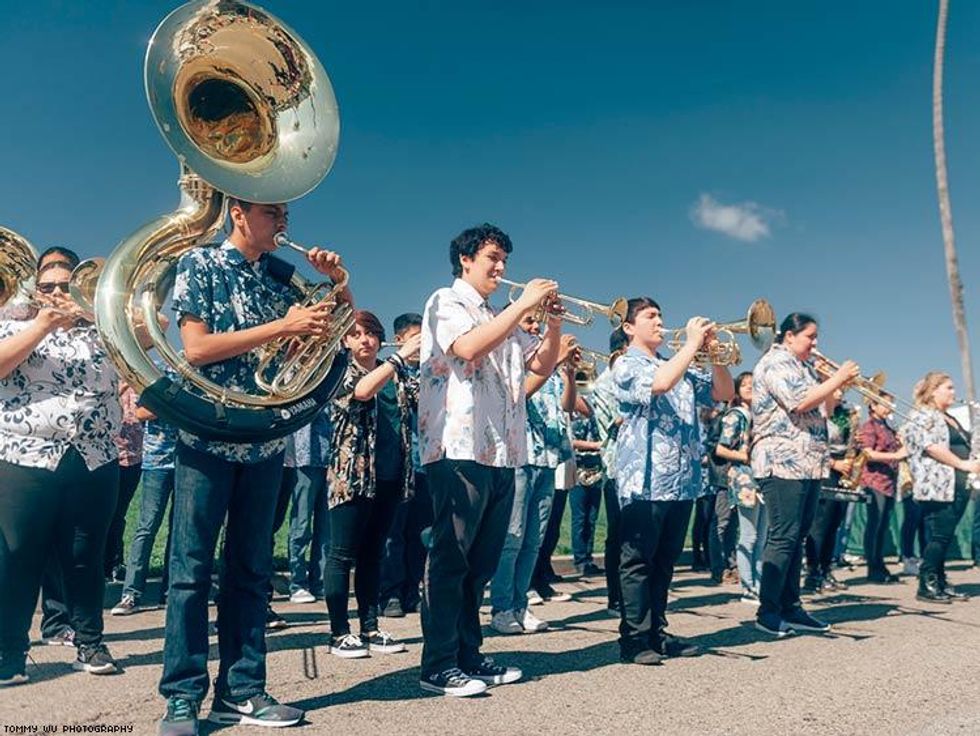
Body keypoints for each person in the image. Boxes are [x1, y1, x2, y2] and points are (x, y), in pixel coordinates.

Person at [157, 199, 349, 734]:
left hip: (265, 442)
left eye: (285, 212)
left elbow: (338, 328)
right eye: (272, 211)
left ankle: (241, 690)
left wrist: (337, 284)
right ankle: (181, 695)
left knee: (251, 570)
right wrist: (281, 328)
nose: (283, 221)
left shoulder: (281, 277)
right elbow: (196, 348)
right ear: (238, 213)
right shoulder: (200, 263)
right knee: (190, 572)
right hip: (208, 436)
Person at [417, 223, 560, 696]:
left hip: (501, 451)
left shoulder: (500, 315)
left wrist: (553, 325)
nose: (501, 268)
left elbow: (540, 367)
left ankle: (468, 654)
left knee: (480, 564)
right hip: (457, 447)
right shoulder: (446, 300)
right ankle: (438, 664)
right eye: (492, 258)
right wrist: (523, 305)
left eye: (504, 261)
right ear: (466, 260)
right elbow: (467, 347)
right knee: (451, 560)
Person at [0, 261, 122, 687]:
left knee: (86, 556)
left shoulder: (103, 331)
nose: (56, 293)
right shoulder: (12, 325)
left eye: (66, 285)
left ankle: (90, 643)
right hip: (24, 457)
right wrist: (42, 325)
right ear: (34, 290)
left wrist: (98, 308)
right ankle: (9, 653)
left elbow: (154, 326)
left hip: (93, 458)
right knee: (18, 556)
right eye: (47, 286)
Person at [613, 297, 734, 665]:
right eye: (650, 316)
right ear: (629, 327)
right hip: (644, 479)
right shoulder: (626, 363)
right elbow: (661, 383)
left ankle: (657, 632)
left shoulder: (678, 363)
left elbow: (724, 394)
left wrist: (715, 356)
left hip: (682, 480)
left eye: (661, 315)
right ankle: (634, 639)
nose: (660, 321)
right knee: (637, 561)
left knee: (665, 562)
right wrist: (693, 344)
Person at [751, 313, 859, 637]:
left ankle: (791, 606)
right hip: (781, 460)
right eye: (810, 336)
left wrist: (831, 383)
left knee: (798, 536)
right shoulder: (775, 363)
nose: (815, 342)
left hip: (808, 461)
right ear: (789, 336)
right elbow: (798, 403)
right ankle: (768, 611)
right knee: (783, 536)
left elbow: (823, 410)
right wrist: (836, 378)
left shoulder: (805, 367)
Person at [322, 310, 417, 658]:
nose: (366, 340)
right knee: (341, 554)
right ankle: (338, 633)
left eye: (372, 333)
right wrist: (400, 356)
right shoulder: (339, 370)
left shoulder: (398, 374)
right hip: (352, 475)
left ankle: (370, 627)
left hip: (389, 475)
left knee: (373, 554)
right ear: (346, 341)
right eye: (357, 334)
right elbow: (362, 391)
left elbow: (426, 399)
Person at [490, 318, 577, 635]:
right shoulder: (512, 359)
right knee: (512, 538)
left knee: (533, 541)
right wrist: (551, 362)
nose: (535, 328)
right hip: (520, 457)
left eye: (537, 323)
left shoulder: (548, 366)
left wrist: (568, 374)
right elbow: (519, 395)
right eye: (528, 321)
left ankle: (520, 605)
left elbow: (568, 406)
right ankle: (501, 608)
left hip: (548, 459)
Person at [901, 372, 980, 603]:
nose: (954, 392)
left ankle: (940, 580)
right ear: (933, 390)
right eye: (949, 387)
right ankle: (927, 584)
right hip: (937, 485)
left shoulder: (949, 417)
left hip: (957, 483)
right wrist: (962, 464)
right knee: (939, 534)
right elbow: (931, 446)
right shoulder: (923, 415)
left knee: (945, 535)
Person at [379, 312, 431, 618]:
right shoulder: (389, 371)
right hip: (398, 466)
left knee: (421, 533)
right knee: (393, 534)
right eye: (416, 338)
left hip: (425, 465)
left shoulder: (431, 372)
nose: (422, 344)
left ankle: (413, 590)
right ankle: (391, 593)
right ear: (399, 340)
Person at [112, 392, 179, 615]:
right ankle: (131, 593)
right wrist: (175, 403)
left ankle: (170, 592)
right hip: (157, 460)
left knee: (179, 529)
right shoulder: (157, 380)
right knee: (147, 527)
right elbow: (140, 413)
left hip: (188, 461)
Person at [586, 331, 629, 614]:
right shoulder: (605, 383)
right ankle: (617, 597)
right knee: (619, 535)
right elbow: (616, 421)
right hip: (618, 467)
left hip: (642, 468)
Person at [714, 371, 765, 603]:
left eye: (753, 384)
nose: (750, 387)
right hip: (745, 478)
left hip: (762, 476)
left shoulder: (760, 413)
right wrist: (743, 456)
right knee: (749, 535)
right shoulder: (736, 415)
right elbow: (720, 448)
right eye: (745, 384)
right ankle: (748, 587)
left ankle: (760, 585)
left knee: (762, 536)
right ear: (737, 389)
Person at [803, 398, 855, 593]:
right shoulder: (817, 414)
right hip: (825, 470)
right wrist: (834, 464)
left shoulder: (844, 415)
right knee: (819, 526)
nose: (841, 393)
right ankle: (813, 573)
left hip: (842, 470)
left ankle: (826, 570)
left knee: (834, 525)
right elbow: (813, 446)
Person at [281, 406, 332, 605]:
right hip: (305, 456)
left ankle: (321, 582)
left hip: (331, 456)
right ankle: (298, 583)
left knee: (326, 528)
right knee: (301, 523)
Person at [859, 394, 907, 583]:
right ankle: (873, 568)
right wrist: (895, 456)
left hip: (889, 483)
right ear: (873, 405)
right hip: (874, 482)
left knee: (883, 525)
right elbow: (867, 453)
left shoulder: (887, 426)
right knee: (875, 524)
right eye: (885, 404)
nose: (889, 407)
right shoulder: (869, 426)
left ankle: (880, 566)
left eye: (890, 404)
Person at [104, 381, 144, 582]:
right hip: (107, 455)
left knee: (118, 512)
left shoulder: (139, 382)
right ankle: (102, 562)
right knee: (103, 512)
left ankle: (114, 562)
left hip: (133, 456)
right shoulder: (107, 378)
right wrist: (120, 388)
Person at [569, 402, 606, 577]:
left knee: (591, 518)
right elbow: (570, 441)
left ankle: (588, 559)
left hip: (595, 467)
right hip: (579, 467)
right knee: (579, 518)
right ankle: (580, 560)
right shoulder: (571, 413)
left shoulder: (596, 411)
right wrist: (596, 445)